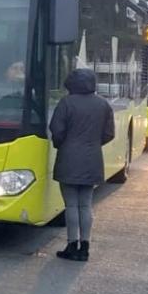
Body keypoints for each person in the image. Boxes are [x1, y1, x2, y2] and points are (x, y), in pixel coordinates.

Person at [49, 68, 115, 261]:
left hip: (69, 158)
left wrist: (62, 144)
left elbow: (57, 130)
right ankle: (85, 246)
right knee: (86, 205)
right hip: (93, 158)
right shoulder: (103, 104)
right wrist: (93, 144)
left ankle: (71, 244)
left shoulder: (66, 103)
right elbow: (109, 133)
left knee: (70, 205)